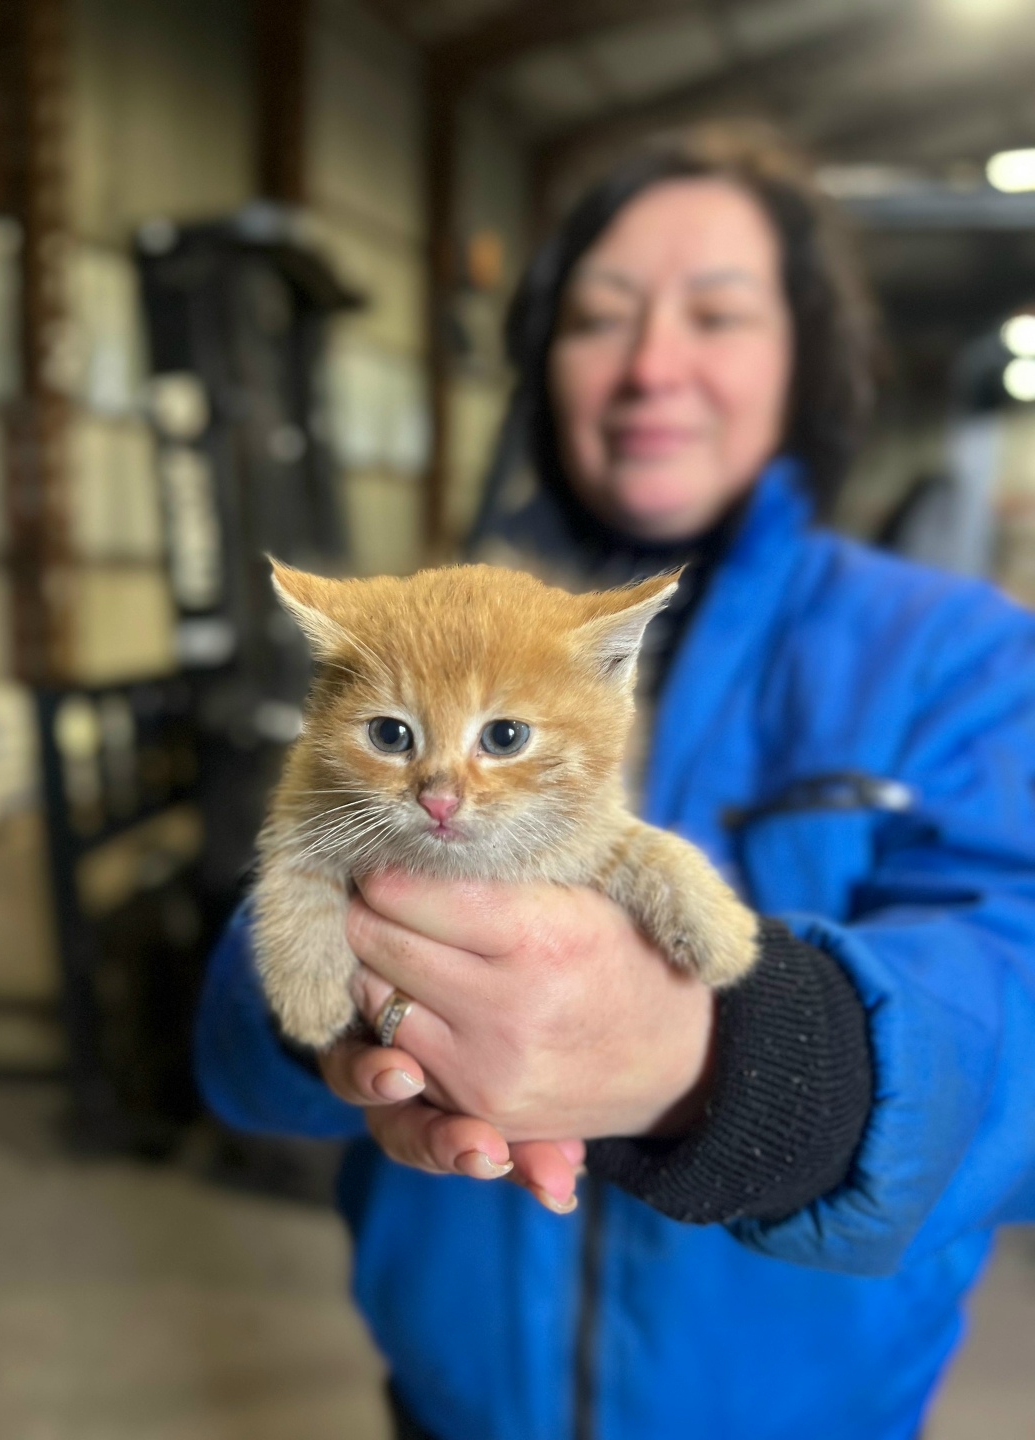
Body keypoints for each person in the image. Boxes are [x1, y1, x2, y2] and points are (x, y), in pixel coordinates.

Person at [195, 126, 1035, 1439]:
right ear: (543, 364)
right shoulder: (414, 629)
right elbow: (238, 1052)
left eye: (718, 313)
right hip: (446, 1407)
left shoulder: (957, 653)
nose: (652, 364)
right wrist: (340, 1018)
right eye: (598, 317)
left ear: (808, 357)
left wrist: (728, 1060)